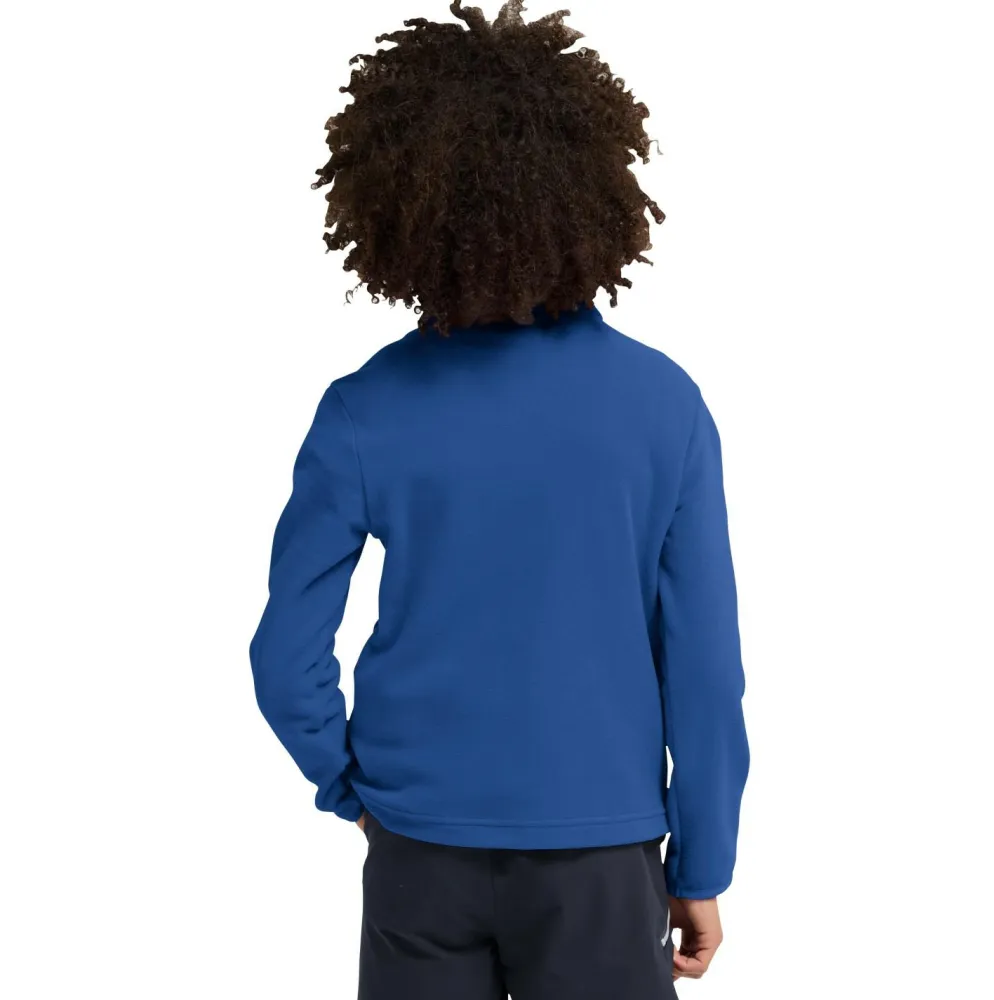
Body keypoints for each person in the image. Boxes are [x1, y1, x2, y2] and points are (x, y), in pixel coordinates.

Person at [250, 3, 749, 997]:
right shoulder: (664, 406)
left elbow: (284, 654)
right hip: (602, 852)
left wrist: (351, 789)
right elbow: (703, 669)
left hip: (418, 848)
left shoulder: (365, 409)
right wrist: (702, 865)